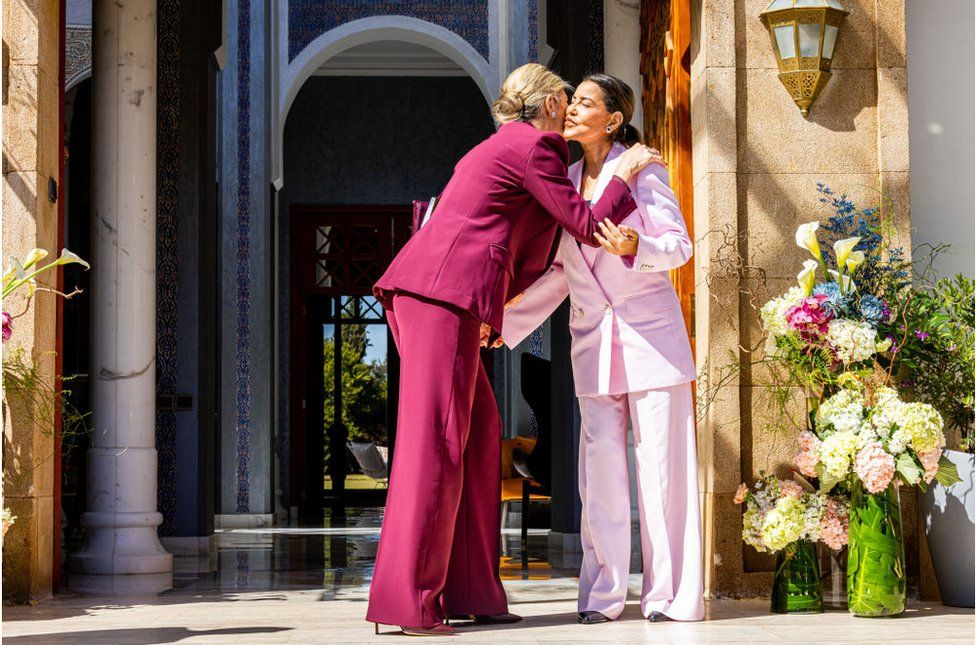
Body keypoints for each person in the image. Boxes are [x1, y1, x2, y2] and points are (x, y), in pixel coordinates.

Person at [366, 63, 660, 637]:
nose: (571, 107)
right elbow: (586, 223)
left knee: (477, 440)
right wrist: (625, 173)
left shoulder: (505, 145)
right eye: (566, 98)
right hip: (441, 296)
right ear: (548, 103)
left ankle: (472, 590)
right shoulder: (535, 148)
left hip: (444, 298)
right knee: (439, 440)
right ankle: (409, 603)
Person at [500, 74, 704, 625]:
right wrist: (505, 322)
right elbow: (561, 273)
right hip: (592, 346)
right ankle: (603, 596)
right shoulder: (562, 180)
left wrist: (641, 246)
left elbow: (680, 246)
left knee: (663, 474)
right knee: (600, 479)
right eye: (573, 101)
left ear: (613, 120)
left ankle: (671, 598)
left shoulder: (643, 168)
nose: (571, 110)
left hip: (652, 340)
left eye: (585, 102)